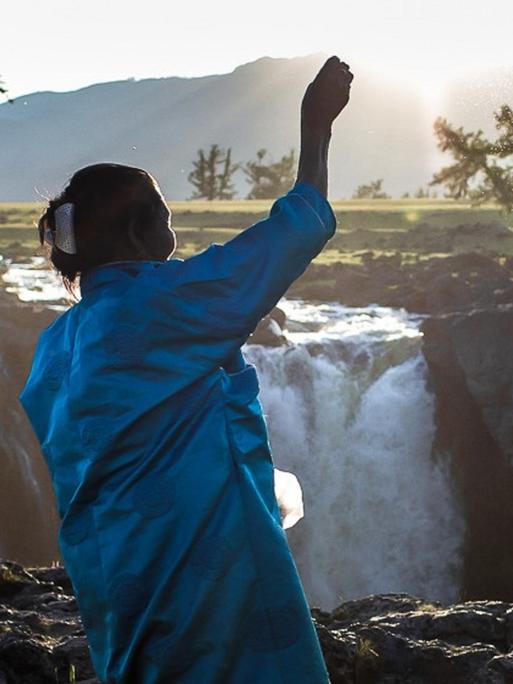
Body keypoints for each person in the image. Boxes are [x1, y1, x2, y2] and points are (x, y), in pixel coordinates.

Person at [19, 55, 353, 683]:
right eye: (166, 217)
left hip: (117, 581)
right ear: (144, 233)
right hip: (207, 570)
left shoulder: (55, 349)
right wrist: (317, 128)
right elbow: (293, 230)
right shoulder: (162, 306)